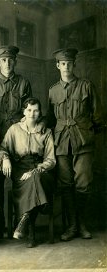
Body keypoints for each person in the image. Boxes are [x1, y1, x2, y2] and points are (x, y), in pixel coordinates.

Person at [47, 48, 103, 241]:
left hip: (83, 140)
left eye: (70, 63)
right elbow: (49, 119)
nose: (66, 67)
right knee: (65, 184)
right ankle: (71, 226)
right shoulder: (52, 90)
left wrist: (89, 133)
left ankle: (82, 223)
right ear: (57, 66)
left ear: (74, 65)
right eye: (63, 63)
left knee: (84, 183)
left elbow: (97, 115)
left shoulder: (86, 86)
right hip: (61, 142)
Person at [0, 45, 32, 236]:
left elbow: (29, 110)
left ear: (15, 61)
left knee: (19, 177)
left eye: (10, 59)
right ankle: (0, 222)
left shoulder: (23, 83)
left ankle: (19, 222)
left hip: (18, 137)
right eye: (3, 60)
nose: (7, 63)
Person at [0, 98, 56, 248]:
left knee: (35, 178)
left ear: (40, 112)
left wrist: (37, 169)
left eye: (36, 110)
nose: (32, 113)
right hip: (20, 170)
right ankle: (41, 207)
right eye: (29, 110)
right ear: (24, 111)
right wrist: (5, 158)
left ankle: (27, 224)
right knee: (31, 182)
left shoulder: (46, 132)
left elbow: (51, 159)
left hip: (41, 170)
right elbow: (2, 148)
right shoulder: (14, 129)